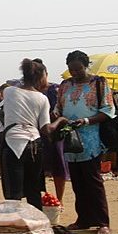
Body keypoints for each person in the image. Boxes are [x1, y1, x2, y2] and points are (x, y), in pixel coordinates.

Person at [55, 50, 114, 234]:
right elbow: (58, 108)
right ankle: (84, 219)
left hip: (90, 141)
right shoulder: (65, 85)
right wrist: (58, 117)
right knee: (77, 183)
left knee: (93, 182)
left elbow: (108, 110)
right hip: (70, 141)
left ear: (86, 65)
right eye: (71, 70)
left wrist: (87, 121)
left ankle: (102, 222)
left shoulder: (99, 83)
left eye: (78, 69)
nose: (74, 73)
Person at [1, 58, 67, 210]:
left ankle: (14, 226)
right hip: (34, 145)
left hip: (13, 143)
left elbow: (14, 85)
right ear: (40, 77)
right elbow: (46, 129)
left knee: (14, 193)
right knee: (34, 190)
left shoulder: (9, 91)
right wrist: (60, 121)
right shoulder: (42, 98)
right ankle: (36, 225)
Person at [36, 58, 70, 207]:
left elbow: (62, 108)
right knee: (36, 168)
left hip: (55, 134)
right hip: (36, 134)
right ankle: (38, 199)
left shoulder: (55, 89)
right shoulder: (30, 93)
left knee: (58, 167)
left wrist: (55, 116)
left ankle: (59, 199)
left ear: (46, 74)